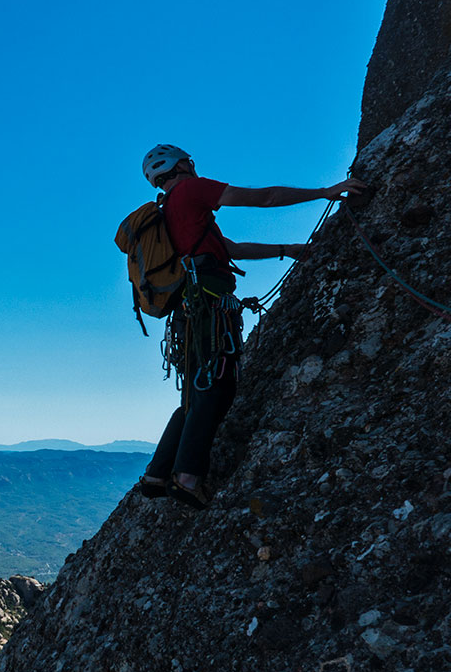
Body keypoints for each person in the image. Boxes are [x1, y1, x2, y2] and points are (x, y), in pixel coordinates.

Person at [135, 144, 365, 509]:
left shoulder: (169, 211)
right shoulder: (191, 190)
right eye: (188, 162)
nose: (193, 166)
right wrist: (325, 192)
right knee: (217, 388)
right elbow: (265, 198)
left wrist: (285, 249)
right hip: (210, 308)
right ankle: (187, 477)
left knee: (196, 393)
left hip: (190, 313)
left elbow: (228, 248)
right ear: (180, 164)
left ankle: (156, 475)